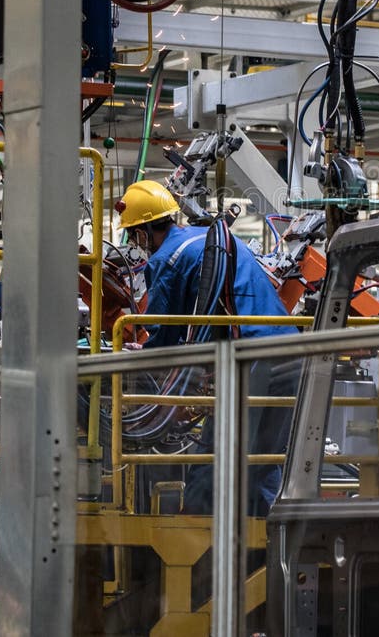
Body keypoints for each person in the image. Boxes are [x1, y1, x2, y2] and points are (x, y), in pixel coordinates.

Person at [115, 180, 299, 515]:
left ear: (142, 232)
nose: (136, 245)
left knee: (213, 464)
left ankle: (194, 559)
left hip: (249, 358)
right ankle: (269, 553)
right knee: (262, 463)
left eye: (133, 236)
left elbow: (164, 336)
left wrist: (141, 367)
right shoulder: (222, 242)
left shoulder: (167, 259)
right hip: (291, 351)